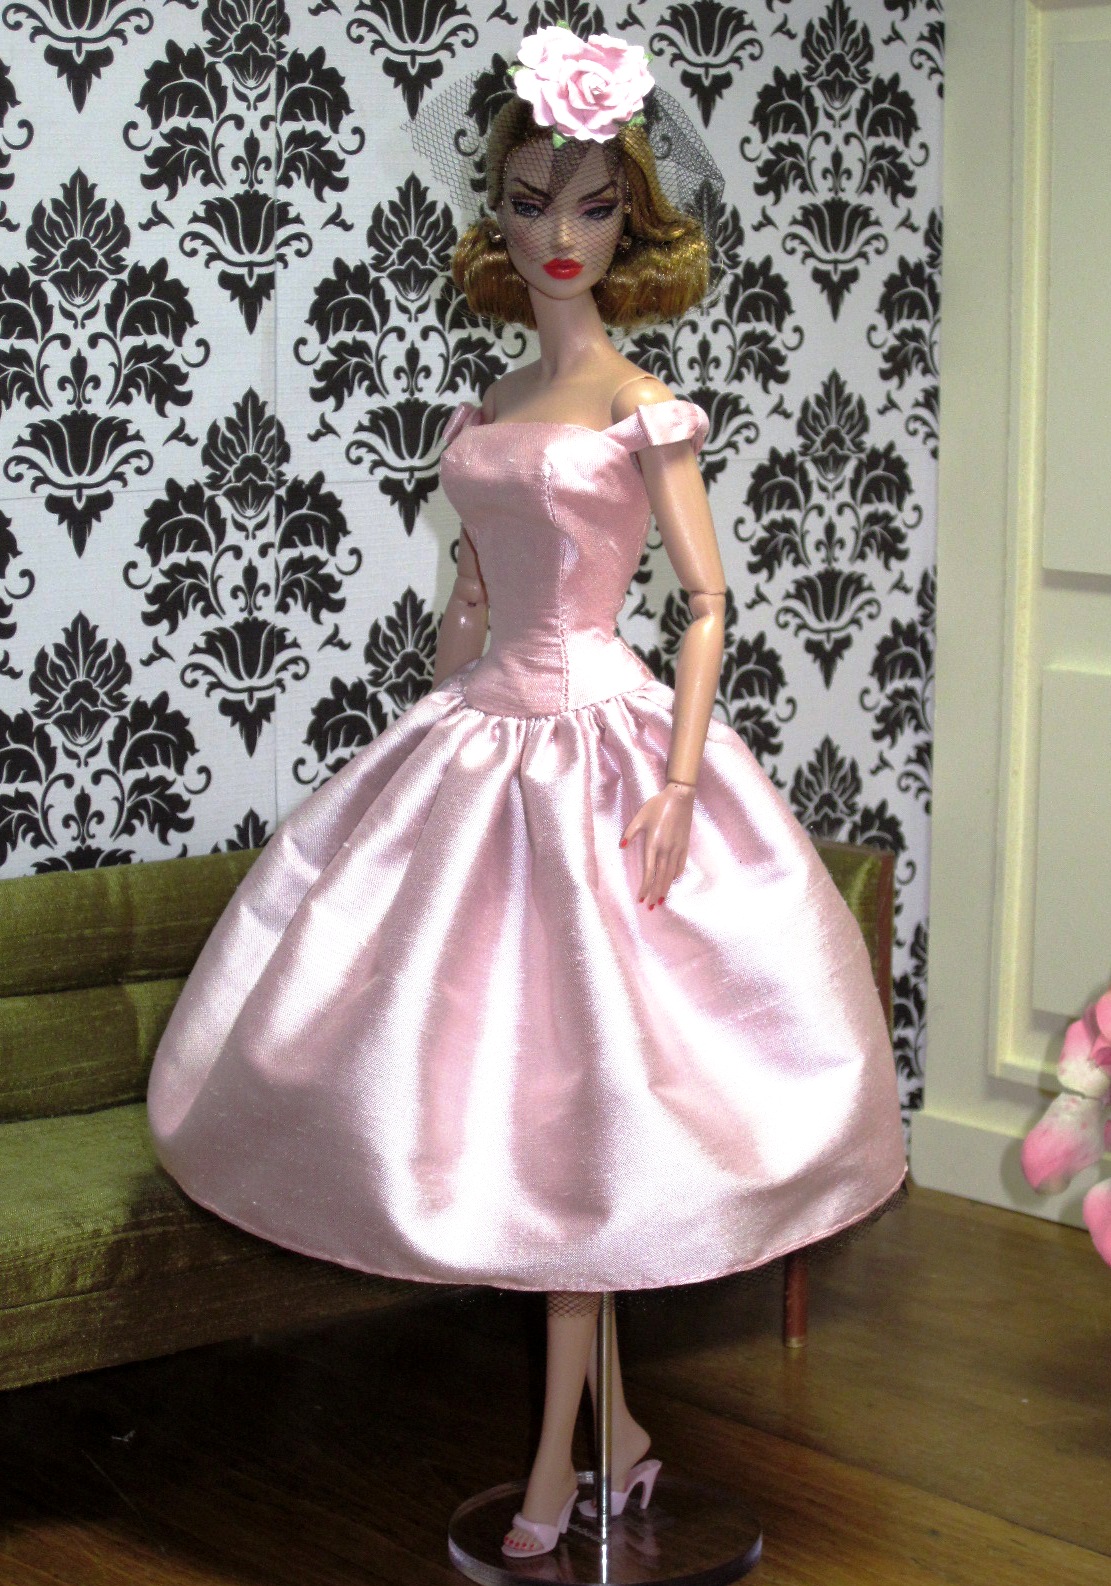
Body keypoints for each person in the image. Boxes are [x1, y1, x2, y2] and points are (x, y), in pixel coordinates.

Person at [147, 25, 907, 1562]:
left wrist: (679, 782)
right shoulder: (492, 400)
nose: (560, 233)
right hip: (483, 745)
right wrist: (441, 701)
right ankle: (620, 1444)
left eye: (593, 206)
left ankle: (560, 1469)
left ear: (634, 222)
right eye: (529, 200)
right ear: (495, 213)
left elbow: (706, 603)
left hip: (606, 758)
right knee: (523, 1122)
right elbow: (475, 595)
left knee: (594, 1132)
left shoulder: (642, 405)